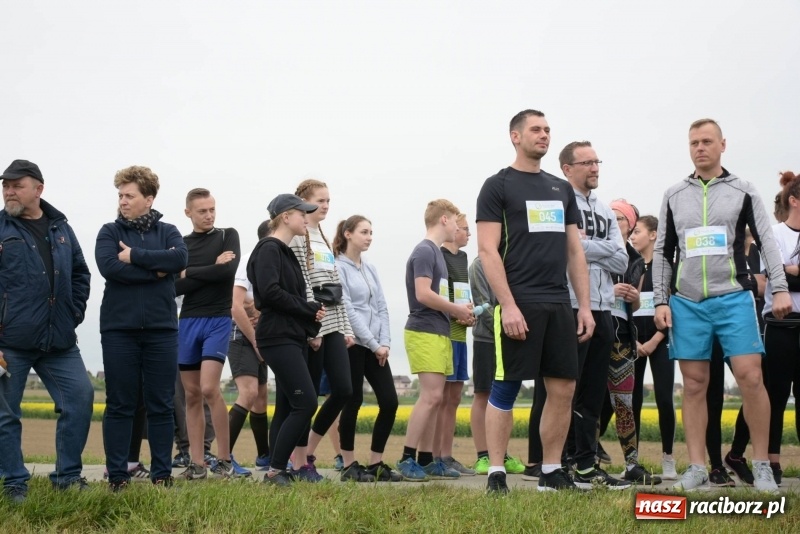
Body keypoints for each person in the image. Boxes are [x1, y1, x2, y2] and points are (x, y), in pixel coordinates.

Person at [653, 118, 791, 492]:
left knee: (751, 377)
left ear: (722, 145)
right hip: (687, 303)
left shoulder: (743, 190)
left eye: (707, 141)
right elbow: (663, 251)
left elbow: (767, 241)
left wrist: (779, 288)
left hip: (733, 298)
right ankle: (697, 466)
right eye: (694, 142)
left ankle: (761, 465)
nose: (700, 148)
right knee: (694, 384)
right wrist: (661, 300)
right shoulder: (673, 194)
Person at [476, 110, 595, 493]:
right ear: (515, 136)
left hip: (558, 303)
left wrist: (584, 307)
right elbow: (487, 250)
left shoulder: (561, 189)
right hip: (518, 301)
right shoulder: (497, 186)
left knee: (563, 388)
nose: (544, 135)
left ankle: (551, 470)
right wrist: (508, 305)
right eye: (536, 129)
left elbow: (574, 251)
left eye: (547, 130)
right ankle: (496, 472)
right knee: (506, 386)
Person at [527, 140, 630, 490]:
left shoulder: (604, 209)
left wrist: (584, 246)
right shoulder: (556, 203)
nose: (594, 168)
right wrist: (590, 248)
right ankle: (558, 463)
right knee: (563, 390)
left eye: (597, 161)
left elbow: (621, 258)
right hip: (569, 305)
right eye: (586, 163)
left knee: (593, 394)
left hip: (603, 308)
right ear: (567, 169)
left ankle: (587, 464)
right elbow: (559, 247)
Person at [0, 159, 94, 503]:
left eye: (17, 185)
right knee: (4, 415)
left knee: (81, 398)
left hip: (59, 341)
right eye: (6, 186)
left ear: (38, 189)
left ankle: (67, 478)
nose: (9, 191)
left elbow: (81, 273)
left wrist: (73, 313)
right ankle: (13, 483)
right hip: (9, 342)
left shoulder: (61, 228)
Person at [96, 165, 188, 489]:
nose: (122, 201)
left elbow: (179, 259)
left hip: (162, 330)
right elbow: (110, 268)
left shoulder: (170, 231)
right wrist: (157, 270)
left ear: (148, 199)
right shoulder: (109, 232)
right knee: (120, 403)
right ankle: (117, 476)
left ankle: (162, 475)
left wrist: (134, 255)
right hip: (119, 330)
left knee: (161, 404)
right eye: (120, 195)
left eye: (129, 195)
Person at [248, 194, 325, 486]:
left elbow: (289, 296)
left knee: (287, 405)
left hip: (291, 335)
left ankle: (278, 469)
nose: (307, 219)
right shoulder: (269, 248)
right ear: (285, 217)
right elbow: (269, 293)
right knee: (305, 403)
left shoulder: (285, 251)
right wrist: (307, 308)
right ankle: (275, 471)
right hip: (277, 337)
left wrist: (310, 316)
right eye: (302, 214)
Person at [396, 199, 474, 481]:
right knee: (430, 397)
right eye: (455, 221)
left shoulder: (436, 254)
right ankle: (407, 458)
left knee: (437, 398)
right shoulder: (425, 251)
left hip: (440, 331)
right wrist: (456, 309)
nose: (458, 227)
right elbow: (423, 293)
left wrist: (457, 312)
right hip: (424, 330)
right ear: (444, 219)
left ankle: (427, 459)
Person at [175, 188, 248, 479]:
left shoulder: (228, 235)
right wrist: (210, 268)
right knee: (191, 394)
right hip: (188, 321)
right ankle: (197, 464)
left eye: (212, 209)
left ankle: (224, 459)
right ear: (188, 213)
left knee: (208, 388)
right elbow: (173, 287)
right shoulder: (180, 245)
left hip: (218, 319)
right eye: (202, 211)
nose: (209, 215)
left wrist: (189, 272)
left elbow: (227, 273)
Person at [289, 179, 354, 482]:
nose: (325, 205)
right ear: (304, 202)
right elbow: (302, 281)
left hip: (334, 321)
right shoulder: (298, 236)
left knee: (343, 389)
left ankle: (309, 452)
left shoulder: (323, 236)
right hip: (314, 322)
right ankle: (300, 462)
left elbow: (334, 282)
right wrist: (311, 326)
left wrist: (346, 326)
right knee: (310, 395)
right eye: (320, 200)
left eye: (328, 200)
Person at [335, 215, 402, 482]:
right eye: (364, 232)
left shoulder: (371, 268)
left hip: (377, 346)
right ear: (348, 234)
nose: (369, 237)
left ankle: (375, 464)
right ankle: (349, 464)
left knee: (390, 401)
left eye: (371, 232)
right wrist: (374, 344)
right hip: (354, 344)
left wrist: (384, 343)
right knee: (353, 401)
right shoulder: (338, 267)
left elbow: (382, 307)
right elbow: (348, 310)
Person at [599, 199, 659, 484]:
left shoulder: (636, 260)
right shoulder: (597, 249)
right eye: (610, 216)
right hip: (595, 329)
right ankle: (579, 461)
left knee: (624, 402)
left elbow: (633, 305)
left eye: (620, 218)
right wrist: (608, 291)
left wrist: (634, 299)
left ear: (630, 225)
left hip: (622, 334)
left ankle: (632, 465)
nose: (614, 221)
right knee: (587, 400)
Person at [759, 171, 800, 485]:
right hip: (780, 324)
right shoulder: (773, 234)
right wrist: (786, 273)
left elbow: (783, 277)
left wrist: (787, 270)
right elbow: (774, 279)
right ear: (794, 200)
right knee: (776, 393)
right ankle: (771, 460)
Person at [468, 256, 525, 476]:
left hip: (509, 338)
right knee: (483, 393)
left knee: (504, 395)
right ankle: (483, 456)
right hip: (488, 339)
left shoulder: (512, 260)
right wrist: (507, 327)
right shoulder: (479, 265)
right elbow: (483, 304)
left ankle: (501, 454)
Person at [629, 215, 676, 480]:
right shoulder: (631, 266)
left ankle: (668, 457)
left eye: (637, 231)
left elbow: (673, 305)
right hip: (634, 342)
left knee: (664, 399)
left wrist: (656, 339)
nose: (632, 236)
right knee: (632, 401)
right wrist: (634, 340)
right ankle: (632, 461)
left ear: (654, 235)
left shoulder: (666, 266)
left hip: (661, 341)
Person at [434, 213, 476, 476]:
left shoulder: (463, 257)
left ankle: (447, 456)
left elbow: (462, 293)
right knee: (440, 398)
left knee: (454, 397)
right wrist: (455, 312)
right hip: (444, 334)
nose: (469, 234)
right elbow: (438, 295)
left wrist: (469, 314)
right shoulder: (439, 256)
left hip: (461, 335)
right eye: (465, 229)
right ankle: (434, 456)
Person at [228, 220, 272, 471]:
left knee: (261, 397)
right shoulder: (248, 260)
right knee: (248, 392)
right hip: (241, 334)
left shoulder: (274, 262)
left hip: (262, 334)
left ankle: (264, 456)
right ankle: (224, 457)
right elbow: (235, 301)